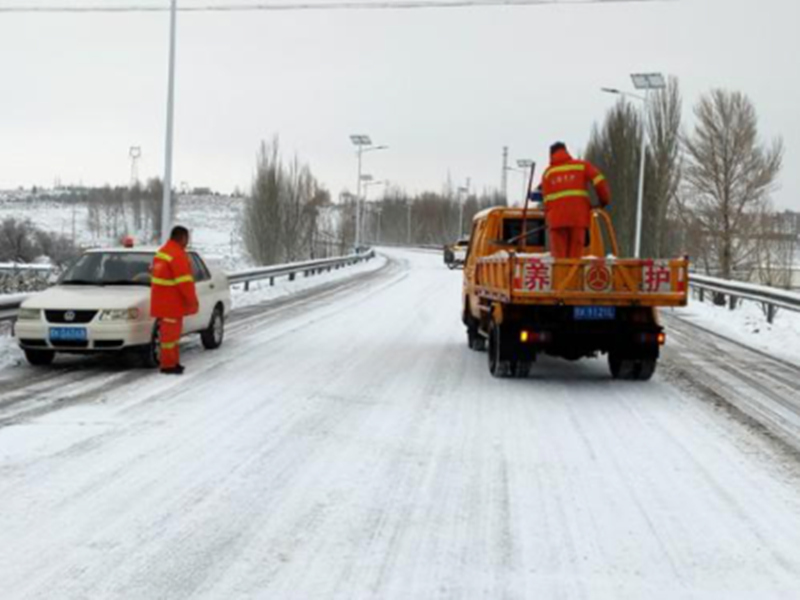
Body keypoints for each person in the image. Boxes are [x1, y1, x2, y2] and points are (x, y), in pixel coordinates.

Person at [541, 142, 611, 259]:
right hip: (578, 219)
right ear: (566, 151)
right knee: (575, 261)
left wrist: (550, 217)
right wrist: (604, 200)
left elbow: (546, 202)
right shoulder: (581, 166)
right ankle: (574, 276)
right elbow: (599, 181)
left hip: (556, 222)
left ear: (551, 155)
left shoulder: (548, 174)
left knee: (560, 262)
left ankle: (562, 277)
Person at [150, 225, 199, 375]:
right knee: (170, 338)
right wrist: (192, 301)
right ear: (182, 238)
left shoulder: (162, 252)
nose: (187, 242)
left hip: (163, 302)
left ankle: (172, 362)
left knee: (169, 336)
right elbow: (184, 282)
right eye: (187, 238)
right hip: (172, 303)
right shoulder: (177, 255)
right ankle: (169, 365)